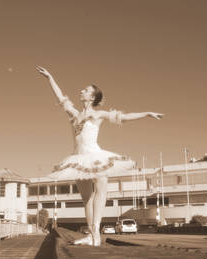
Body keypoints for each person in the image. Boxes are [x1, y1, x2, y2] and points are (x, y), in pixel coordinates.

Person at [37, 66, 163, 246]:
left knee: (101, 188)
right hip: (78, 159)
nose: (81, 91)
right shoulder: (74, 113)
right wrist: (49, 78)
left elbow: (124, 117)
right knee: (86, 199)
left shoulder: (98, 114)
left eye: (86, 90)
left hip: (95, 155)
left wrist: (147, 114)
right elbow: (61, 97)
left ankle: (96, 232)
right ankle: (92, 234)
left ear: (92, 97)